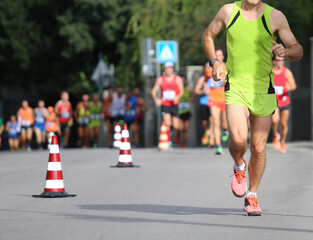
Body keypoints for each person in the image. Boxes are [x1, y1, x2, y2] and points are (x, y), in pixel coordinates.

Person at [202, 0, 303, 215]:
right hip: (236, 86)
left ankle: (252, 195)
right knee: (238, 140)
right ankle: (239, 166)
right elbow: (208, 36)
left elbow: (298, 49)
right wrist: (215, 62)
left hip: (263, 90)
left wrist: (287, 52)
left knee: (258, 147)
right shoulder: (229, 11)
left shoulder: (275, 17)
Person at [151, 61, 184, 148]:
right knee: (167, 123)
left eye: (170, 68)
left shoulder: (177, 79)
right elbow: (153, 91)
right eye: (167, 68)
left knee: (176, 125)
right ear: (165, 69)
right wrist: (156, 99)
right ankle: (169, 141)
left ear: (172, 69)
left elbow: (182, 90)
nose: (169, 70)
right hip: (165, 104)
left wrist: (177, 97)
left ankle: (175, 134)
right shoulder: (161, 79)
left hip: (174, 103)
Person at [272, 56, 297, 153]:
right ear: (274, 62)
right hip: (274, 101)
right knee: (274, 120)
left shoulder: (287, 72)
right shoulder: (270, 72)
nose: (281, 62)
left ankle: (282, 143)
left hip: (284, 100)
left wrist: (285, 88)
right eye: (279, 60)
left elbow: (294, 86)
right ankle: (275, 135)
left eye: (283, 60)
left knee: (283, 123)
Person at [206, 48, 229, 155]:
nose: (218, 57)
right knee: (215, 121)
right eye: (216, 56)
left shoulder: (226, 67)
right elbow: (206, 79)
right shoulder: (208, 67)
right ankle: (218, 145)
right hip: (214, 99)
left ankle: (225, 130)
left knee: (224, 122)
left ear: (223, 57)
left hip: (225, 99)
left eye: (220, 55)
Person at [194, 63, 214, 147]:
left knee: (213, 120)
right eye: (207, 67)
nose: (208, 69)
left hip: (213, 103)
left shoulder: (215, 79)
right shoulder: (202, 79)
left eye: (210, 67)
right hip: (203, 103)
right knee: (204, 122)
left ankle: (212, 139)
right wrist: (203, 91)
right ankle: (207, 131)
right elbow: (196, 90)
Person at [177, 74, 193, 148]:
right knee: (180, 128)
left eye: (183, 80)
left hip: (186, 110)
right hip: (179, 111)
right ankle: (177, 134)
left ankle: (182, 143)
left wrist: (191, 99)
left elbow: (191, 98)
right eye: (181, 80)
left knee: (186, 129)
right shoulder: (177, 89)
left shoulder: (188, 89)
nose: (182, 81)